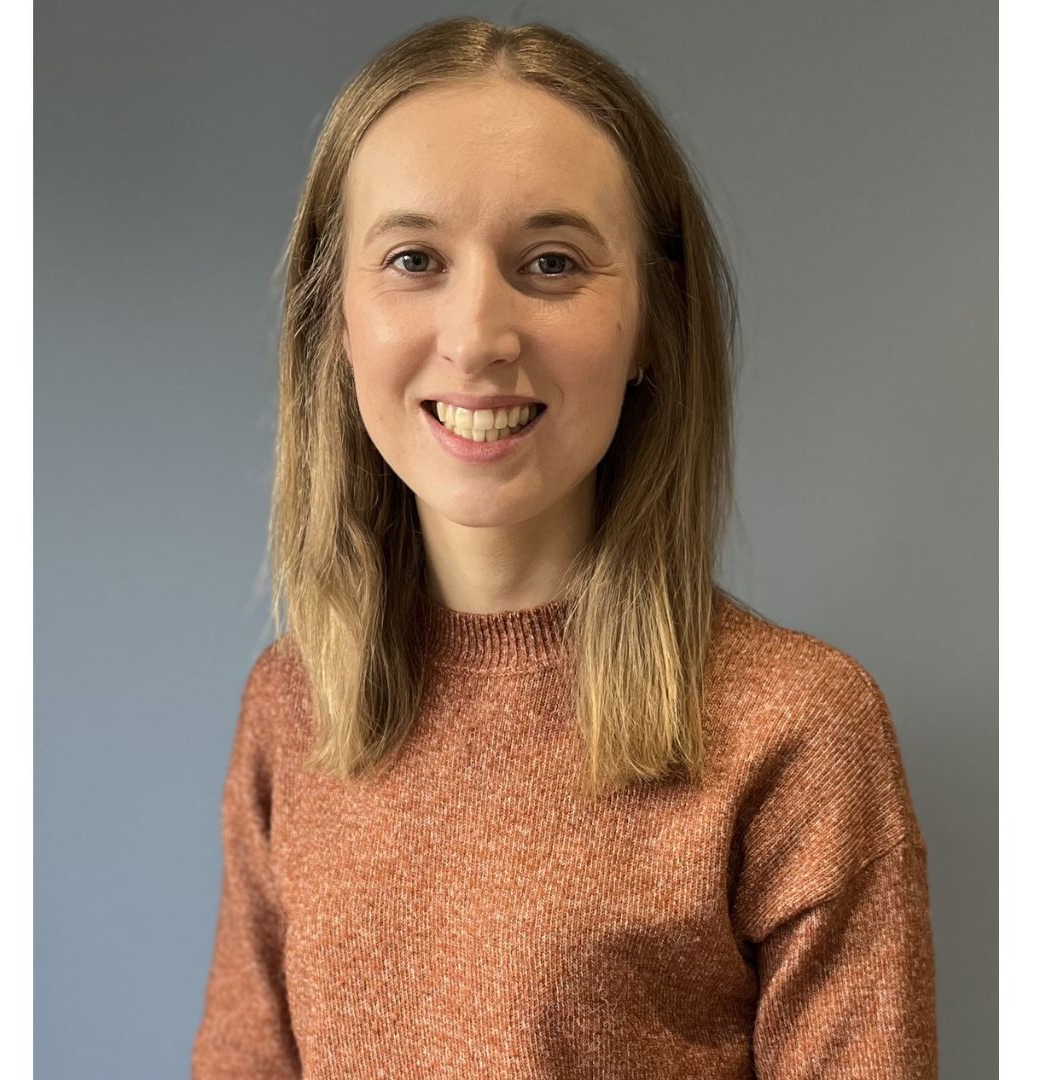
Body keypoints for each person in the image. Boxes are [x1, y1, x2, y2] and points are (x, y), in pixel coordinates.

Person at [191, 16, 936, 1079]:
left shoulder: (796, 732)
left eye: (551, 263)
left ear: (652, 324)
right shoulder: (291, 705)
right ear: (336, 317)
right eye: (413, 259)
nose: (477, 337)